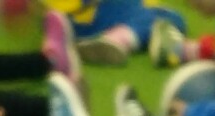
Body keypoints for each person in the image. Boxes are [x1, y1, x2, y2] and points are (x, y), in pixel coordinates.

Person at [44, 0, 189, 67]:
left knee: (169, 16)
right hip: (86, 17)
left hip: (75, 20)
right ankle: (118, 39)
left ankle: (119, 38)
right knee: (165, 17)